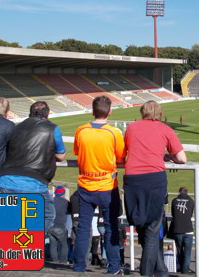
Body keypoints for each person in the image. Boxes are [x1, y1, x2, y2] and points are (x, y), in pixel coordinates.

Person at [123, 100, 187, 277]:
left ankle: (160, 271)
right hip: (154, 180)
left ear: (143, 112)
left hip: (132, 180)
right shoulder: (165, 129)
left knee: (141, 225)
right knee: (152, 230)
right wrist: (167, 156)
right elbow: (182, 158)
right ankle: (149, 272)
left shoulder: (131, 128)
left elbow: (125, 152)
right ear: (159, 113)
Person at [72, 95, 126, 275]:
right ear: (109, 112)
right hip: (107, 187)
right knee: (111, 227)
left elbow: (77, 152)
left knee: (83, 228)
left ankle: (79, 266)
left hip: (85, 185)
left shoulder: (81, 130)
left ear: (92, 111)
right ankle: (114, 267)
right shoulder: (114, 133)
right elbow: (120, 158)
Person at [0, 101, 66, 232]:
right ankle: (30, 247)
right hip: (32, 183)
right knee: (48, 215)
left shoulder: (15, 127)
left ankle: (13, 248)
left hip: (5, 181)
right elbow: (61, 156)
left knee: (10, 223)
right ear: (47, 115)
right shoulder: (52, 129)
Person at [170, 187, 195, 274]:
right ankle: (185, 272)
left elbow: (173, 214)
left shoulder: (174, 201)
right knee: (187, 254)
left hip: (178, 229)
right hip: (188, 230)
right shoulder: (191, 201)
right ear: (187, 193)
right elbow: (190, 214)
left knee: (180, 252)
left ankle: (181, 270)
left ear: (179, 192)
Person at [48, 186, 70, 264]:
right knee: (64, 244)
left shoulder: (51, 201)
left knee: (53, 244)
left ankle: (54, 260)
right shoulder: (66, 202)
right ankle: (63, 261)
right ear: (63, 193)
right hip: (60, 226)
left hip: (50, 226)